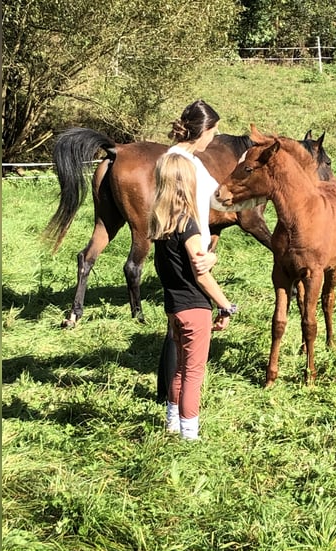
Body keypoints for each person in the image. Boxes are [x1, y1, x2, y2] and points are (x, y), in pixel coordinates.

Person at [149, 153, 237, 440]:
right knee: (194, 374)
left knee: (181, 369)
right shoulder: (188, 225)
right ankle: (190, 436)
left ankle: (172, 422)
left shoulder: (161, 225)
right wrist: (225, 306)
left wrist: (207, 258)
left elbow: (192, 263)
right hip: (195, 308)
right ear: (187, 183)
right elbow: (201, 272)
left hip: (173, 307)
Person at [156, 100, 223, 403]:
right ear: (204, 130)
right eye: (215, 130)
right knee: (183, 340)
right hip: (189, 249)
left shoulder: (188, 159)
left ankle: (171, 406)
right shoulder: (179, 163)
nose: (215, 136)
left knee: (177, 326)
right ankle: (181, 415)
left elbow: (218, 196)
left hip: (190, 247)